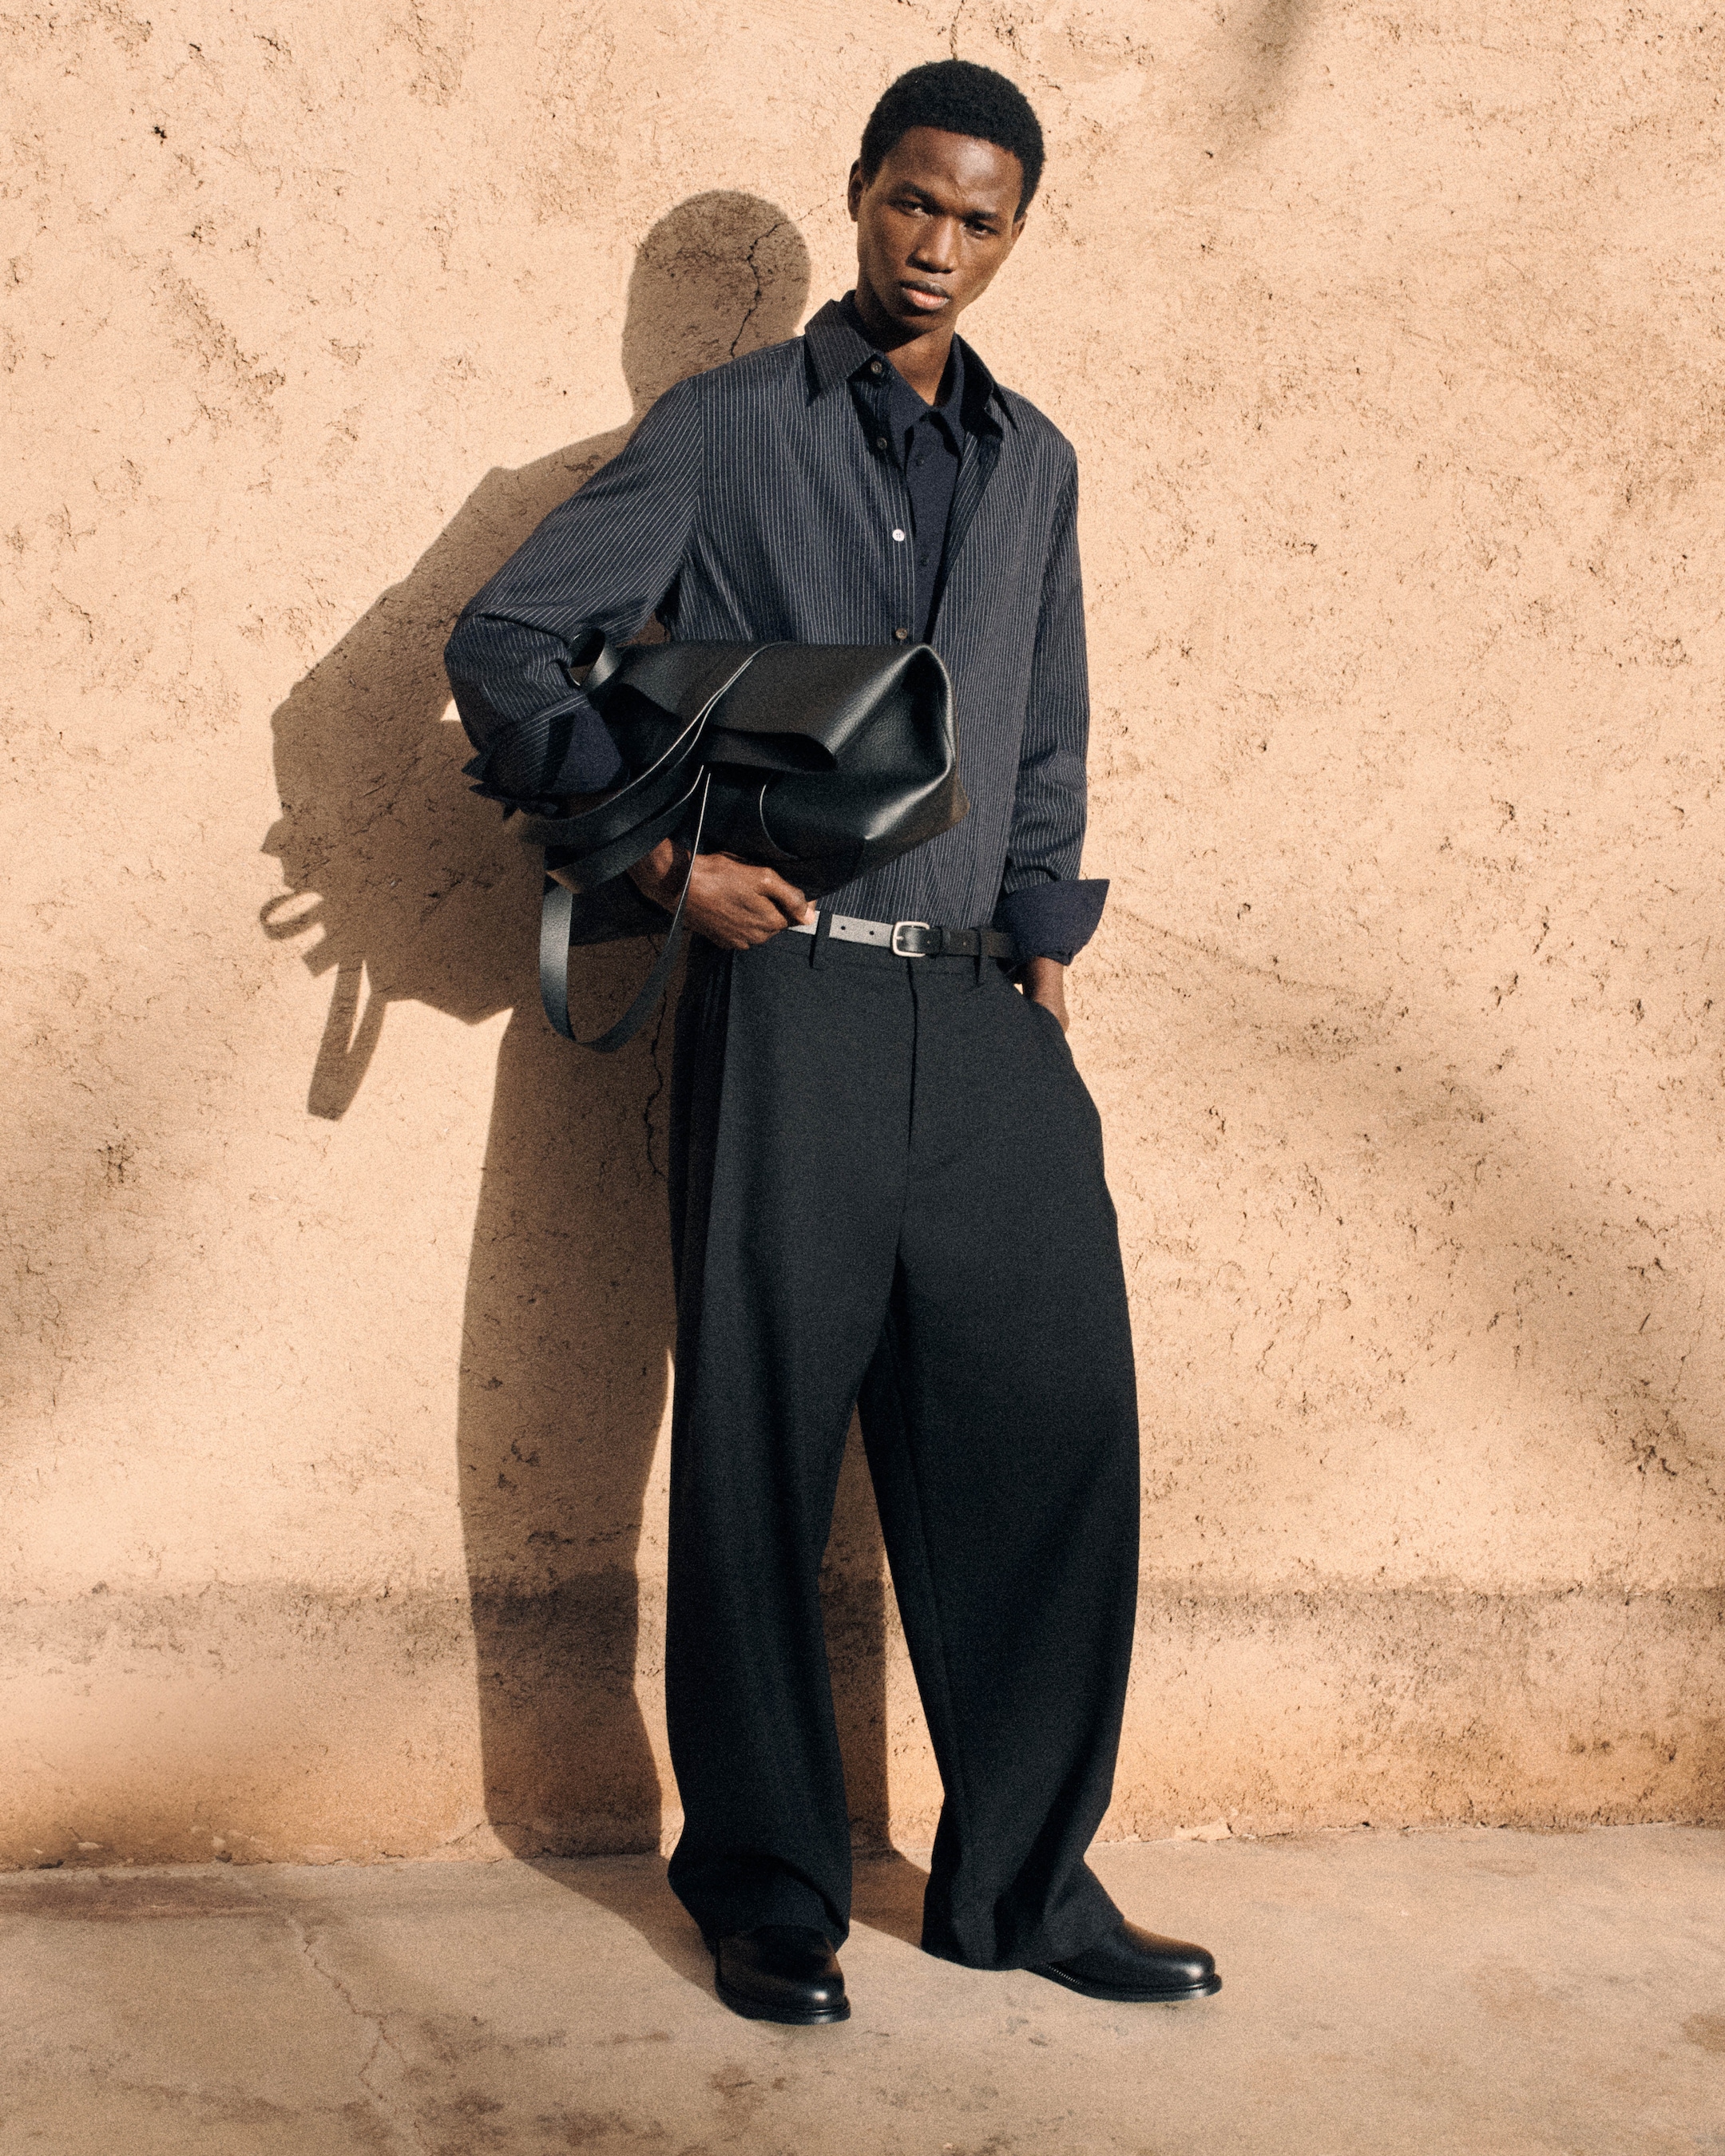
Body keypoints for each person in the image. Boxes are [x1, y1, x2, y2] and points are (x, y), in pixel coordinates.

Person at [445, 58, 1221, 2026]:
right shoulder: (721, 435)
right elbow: (510, 649)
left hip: (977, 1022)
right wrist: (661, 861)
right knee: (763, 1444)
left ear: (1016, 235)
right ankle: (774, 1884)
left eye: (979, 219)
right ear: (862, 192)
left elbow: (1042, 725)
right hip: (783, 1003)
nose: (936, 248)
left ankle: (1025, 1883)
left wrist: (1044, 948)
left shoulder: (1036, 465)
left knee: (1057, 1429)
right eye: (911, 203)